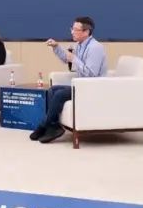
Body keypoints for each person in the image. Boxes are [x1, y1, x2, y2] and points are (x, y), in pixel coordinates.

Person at [32, 16, 107, 144]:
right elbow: (66, 58)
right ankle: (53, 126)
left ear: (86, 32)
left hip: (93, 87)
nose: (72, 32)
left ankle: (44, 125)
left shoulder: (95, 47)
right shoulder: (79, 45)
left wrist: (74, 59)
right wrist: (56, 47)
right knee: (52, 90)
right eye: (72, 28)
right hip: (81, 85)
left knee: (60, 94)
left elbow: (91, 74)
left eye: (76, 29)